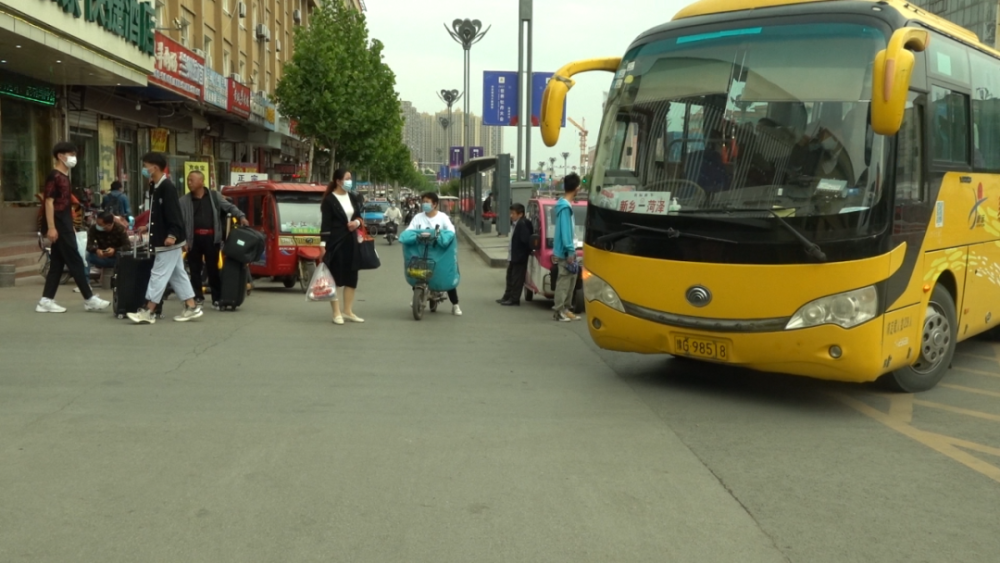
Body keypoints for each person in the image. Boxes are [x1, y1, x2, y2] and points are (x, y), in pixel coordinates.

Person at [127, 152, 203, 324]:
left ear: (155, 167)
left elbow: (174, 214)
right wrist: (148, 226)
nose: (144, 169)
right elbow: (159, 214)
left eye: (146, 166)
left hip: (167, 240)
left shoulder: (167, 187)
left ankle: (148, 311)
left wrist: (172, 235)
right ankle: (191, 307)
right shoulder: (158, 186)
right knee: (178, 274)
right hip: (166, 238)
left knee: (158, 274)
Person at [36, 141, 110, 314]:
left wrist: (71, 225)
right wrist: (52, 227)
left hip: (65, 224)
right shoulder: (54, 176)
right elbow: (49, 202)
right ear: (61, 156)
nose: (74, 158)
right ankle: (89, 298)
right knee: (75, 260)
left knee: (57, 263)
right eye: (71, 154)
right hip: (59, 225)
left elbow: (65, 204)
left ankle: (46, 300)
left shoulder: (65, 176)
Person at [179, 170, 249, 308]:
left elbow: (229, 207)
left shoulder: (214, 196)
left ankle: (217, 298)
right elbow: (179, 221)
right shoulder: (183, 201)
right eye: (188, 180)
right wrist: (183, 240)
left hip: (211, 238)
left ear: (201, 181)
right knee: (194, 270)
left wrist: (241, 216)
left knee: (213, 269)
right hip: (193, 239)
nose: (189, 183)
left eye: (191, 180)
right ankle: (197, 297)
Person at [405, 192, 462, 316]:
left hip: (439, 251)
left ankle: (455, 304)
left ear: (435, 204)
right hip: (422, 251)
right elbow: (410, 230)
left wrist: (442, 237)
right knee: (417, 272)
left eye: (427, 201)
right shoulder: (418, 217)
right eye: (423, 201)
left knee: (446, 275)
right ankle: (417, 295)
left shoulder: (442, 217)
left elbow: (451, 230)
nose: (424, 204)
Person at [320, 169, 364, 325]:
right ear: (338, 181)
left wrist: (356, 223)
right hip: (335, 242)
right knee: (336, 278)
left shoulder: (352, 197)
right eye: (347, 178)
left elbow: (359, 215)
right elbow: (325, 224)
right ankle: (336, 312)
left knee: (352, 278)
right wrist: (323, 245)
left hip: (352, 241)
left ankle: (348, 311)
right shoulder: (329, 200)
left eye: (350, 178)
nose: (349, 181)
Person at [552, 173, 581, 322]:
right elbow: (565, 232)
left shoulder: (566, 205)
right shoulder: (564, 207)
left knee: (571, 280)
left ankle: (566, 309)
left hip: (570, 250)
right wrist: (570, 251)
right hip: (565, 252)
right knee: (564, 281)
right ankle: (559, 311)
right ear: (577, 188)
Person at [497, 203, 533, 306]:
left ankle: (514, 299)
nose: (511, 215)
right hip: (513, 256)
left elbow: (526, 241)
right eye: (510, 213)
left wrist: (522, 253)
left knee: (517, 279)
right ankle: (507, 296)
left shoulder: (523, 224)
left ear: (520, 214)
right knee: (510, 277)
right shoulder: (516, 223)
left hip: (519, 257)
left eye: (513, 213)